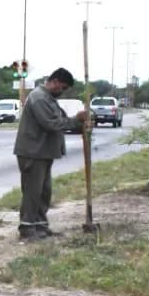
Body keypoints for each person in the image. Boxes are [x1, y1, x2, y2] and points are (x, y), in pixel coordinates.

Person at [12, 68, 89, 240]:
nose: (61, 92)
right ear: (54, 82)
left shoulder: (49, 98)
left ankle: (40, 225)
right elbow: (51, 123)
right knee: (33, 192)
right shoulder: (39, 98)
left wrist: (81, 123)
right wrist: (76, 119)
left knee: (44, 191)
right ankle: (27, 228)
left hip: (43, 152)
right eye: (62, 88)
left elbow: (60, 120)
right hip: (33, 152)